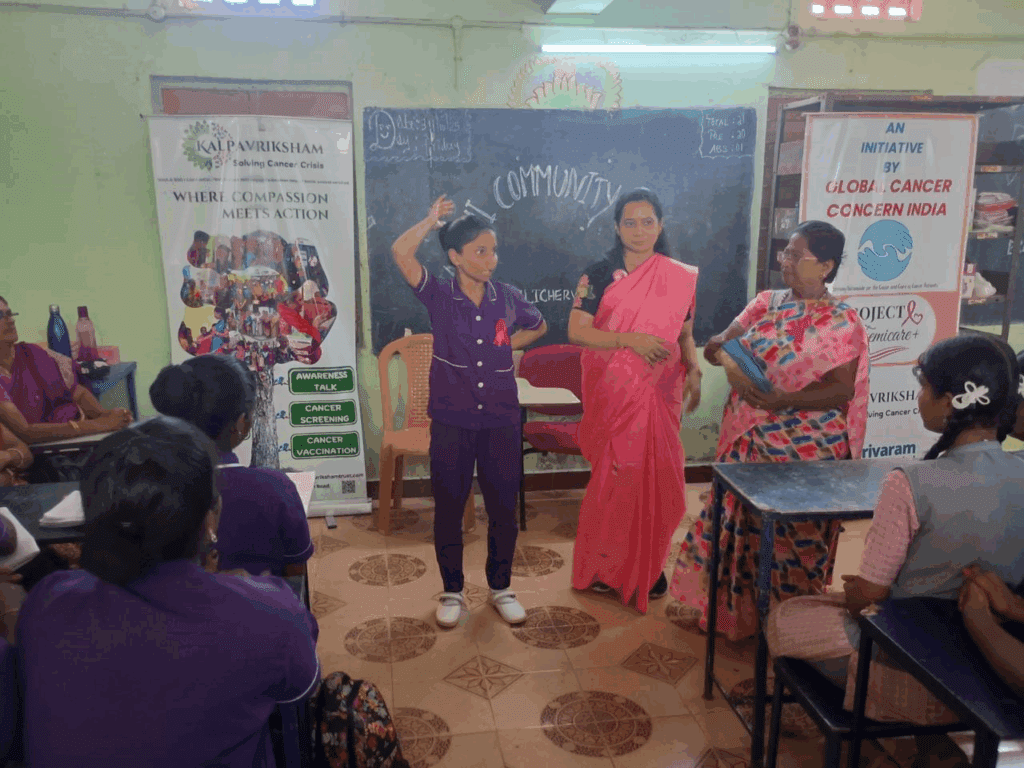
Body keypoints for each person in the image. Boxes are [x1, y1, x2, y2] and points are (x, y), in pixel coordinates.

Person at [18, 417, 410, 768]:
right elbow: (301, 687)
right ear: (211, 518)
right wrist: (244, 591)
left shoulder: (47, 602)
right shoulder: (268, 616)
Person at [764, 334, 1024, 734]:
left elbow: (870, 597)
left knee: (786, 617)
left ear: (950, 401)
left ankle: (867, 709)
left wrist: (856, 594)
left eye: (924, 388)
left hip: (912, 672)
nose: (919, 397)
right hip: (993, 669)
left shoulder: (907, 484)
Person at [670, 220, 870, 640]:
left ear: (826, 266)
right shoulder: (766, 303)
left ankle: (791, 624)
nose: (786, 262)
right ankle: (735, 617)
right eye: (785, 253)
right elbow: (717, 344)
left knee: (795, 537)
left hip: (809, 450)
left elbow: (841, 389)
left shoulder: (842, 319)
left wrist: (783, 400)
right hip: (749, 437)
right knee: (738, 524)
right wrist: (732, 364)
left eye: (796, 255)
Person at [390, 195, 548, 628]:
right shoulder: (439, 294)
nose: (490, 259)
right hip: (451, 419)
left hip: (500, 419)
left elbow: (539, 325)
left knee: (502, 508)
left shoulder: (507, 297)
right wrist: (430, 220)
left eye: (493, 250)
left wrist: (507, 346)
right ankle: (452, 591)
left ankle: (501, 587)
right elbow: (401, 252)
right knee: (448, 509)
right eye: (480, 251)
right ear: (455, 257)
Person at [567, 189, 702, 614]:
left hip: (660, 390)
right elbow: (577, 331)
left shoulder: (677, 276)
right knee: (617, 478)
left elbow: (684, 333)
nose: (639, 231)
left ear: (660, 226)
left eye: (647, 222)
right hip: (616, 390)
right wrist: (629, 340)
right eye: (630, 222)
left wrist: (694, 368)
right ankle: (605, 567)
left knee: (658, 477)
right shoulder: (598, 273)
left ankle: (648, 565)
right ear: (616, 227)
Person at [150, 355, 312, 577]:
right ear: (241, 423)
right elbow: (295, 573)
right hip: (262, 598)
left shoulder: (144, 486)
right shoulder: (276, 488)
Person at [0, 295, 133, 477]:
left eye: (9, 313)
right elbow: (26, 432)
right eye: (1, 316)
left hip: (77, 437)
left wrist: (105, 415)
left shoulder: (31, 353)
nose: (10, 320)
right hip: (44, 453)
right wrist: (101, 425)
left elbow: (76, 392)